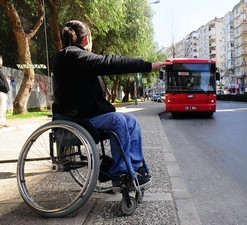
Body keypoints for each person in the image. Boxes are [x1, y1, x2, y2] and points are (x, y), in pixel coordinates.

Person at [53, 20, 171, 187]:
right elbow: (109, 62)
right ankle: (121, 173)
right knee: (119, 120)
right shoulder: (72, 56)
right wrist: (147, 66)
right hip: (77, 118)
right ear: (86, 39)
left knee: (132, 120)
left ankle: (134, 168)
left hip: (86, 115)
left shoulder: (75, 59)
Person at [0, 55, 10, 127]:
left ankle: (3, 122)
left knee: (3, 107)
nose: (1, 61)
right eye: (0, 60)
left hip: (3, 92)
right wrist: (4, 87)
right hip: (1, 91)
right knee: (1, 108)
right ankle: (1, 122)